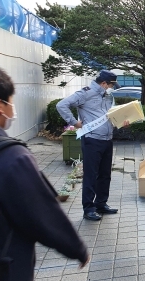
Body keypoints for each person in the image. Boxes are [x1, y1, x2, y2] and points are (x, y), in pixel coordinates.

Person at [0, 67, 90, 281]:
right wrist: (75, 247)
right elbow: (40, 211)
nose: (12, 109)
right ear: (0, 106)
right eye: (10, 102)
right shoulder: (12, 157)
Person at [57, 70, 128, 221]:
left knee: (105, 174)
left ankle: (101, 204)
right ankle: (88, 208)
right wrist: (74, 122)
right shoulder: (85, 94)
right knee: (91, 175)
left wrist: (122, 122)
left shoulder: (108, 96)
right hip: (92, 140)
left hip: (107, 139)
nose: (111, 88)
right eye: (110, 85)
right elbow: (62, 105)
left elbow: (111, 116)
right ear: (103, 83)